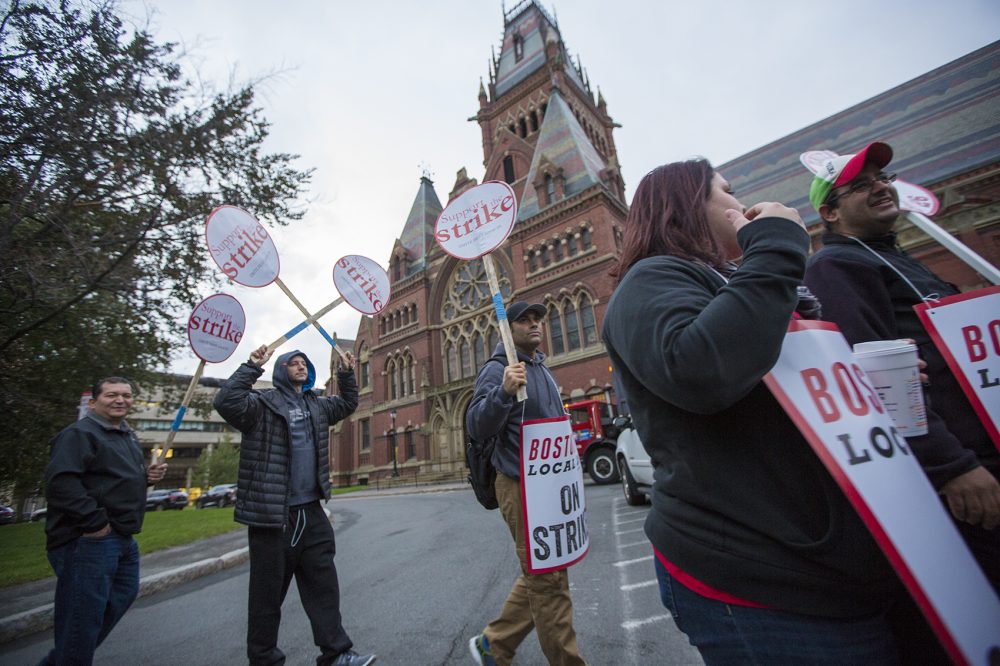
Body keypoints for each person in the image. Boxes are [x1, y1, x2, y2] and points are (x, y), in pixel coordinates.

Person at [602, 160, 903, 664]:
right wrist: (778, 244)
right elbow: (702, 369)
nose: (740, 202)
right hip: (759, 580)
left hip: (824, 569)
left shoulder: (731, 282)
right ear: (685, 206)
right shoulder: (650, 279)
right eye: (727, 191)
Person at [804, 141, 1000, 590]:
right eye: (859, 186)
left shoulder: (893, 255)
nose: (880, 188)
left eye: (883, 179)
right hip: (967, 466)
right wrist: (951, 466)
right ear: (830, 213)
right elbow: (873, 377)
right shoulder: (835, 265)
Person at [214, 346, 374, 666]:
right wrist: (251, 366)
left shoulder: (317, 406)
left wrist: (345, 373)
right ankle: (264, 660)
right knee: (267, 597)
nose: (300, 367)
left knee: (323, 587)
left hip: (312, 511)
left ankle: (336, 654)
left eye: (304, 363)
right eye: (293, 363)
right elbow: (225, 401)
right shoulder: (261, 404)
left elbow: (347, 403)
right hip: (273, 515)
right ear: (280, 370)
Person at [466, 301, 587, 666]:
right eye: (525, 320)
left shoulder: (541, 368)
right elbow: (476, 424)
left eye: (538, 319)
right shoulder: (499, 368)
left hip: (550, 489)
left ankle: (495, 643)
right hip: (520, 486)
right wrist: (503, 392)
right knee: (549, 581)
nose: (535, 324)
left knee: (547, 570)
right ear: (508, 328)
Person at [42, 376, 168, 666]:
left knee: (120, 597)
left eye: (126, 395)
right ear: (93, 402)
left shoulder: (126, 435)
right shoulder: (80, 434)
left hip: (122, 538)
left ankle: (63, 659)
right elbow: (61, 484)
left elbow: (108, 477)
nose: (120, 400)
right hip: (88, 541)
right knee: (81, 621)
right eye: (112, 395)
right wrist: (95, 523)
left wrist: (145, 476)